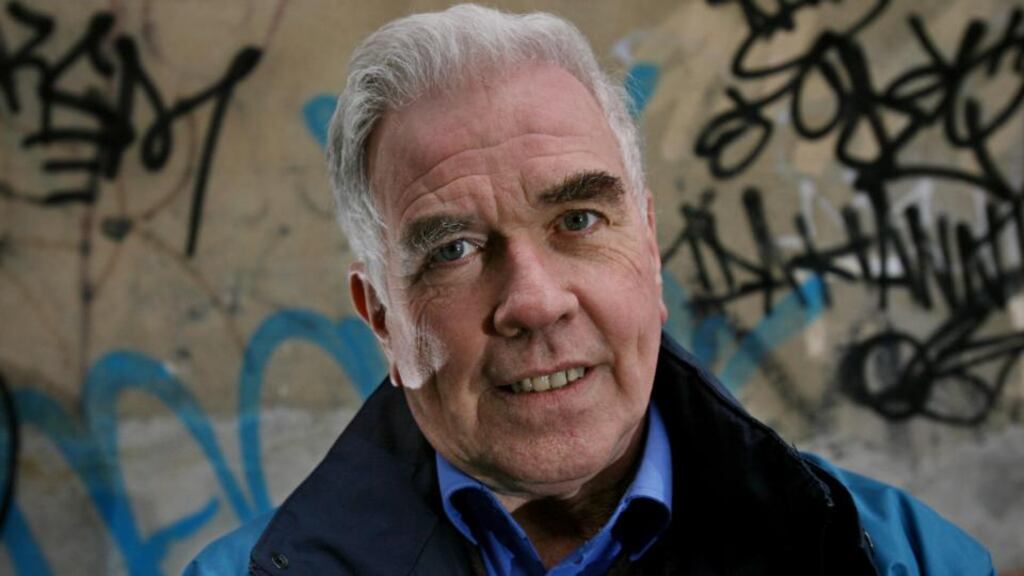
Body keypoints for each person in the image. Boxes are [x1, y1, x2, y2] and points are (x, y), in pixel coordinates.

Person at [187, 5, 994, 575]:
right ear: (382, 321)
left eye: (578, 219)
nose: (536, 301)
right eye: (456, 249)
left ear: (649, 248)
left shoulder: (894, 559)